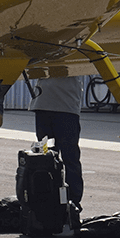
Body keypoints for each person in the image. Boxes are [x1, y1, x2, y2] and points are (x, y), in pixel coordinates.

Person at [28, 75, 84, 209]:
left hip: (65, 107)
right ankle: (45, 194)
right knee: (45, 157)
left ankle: (72, 201)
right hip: (46, 105)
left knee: (69, 156)